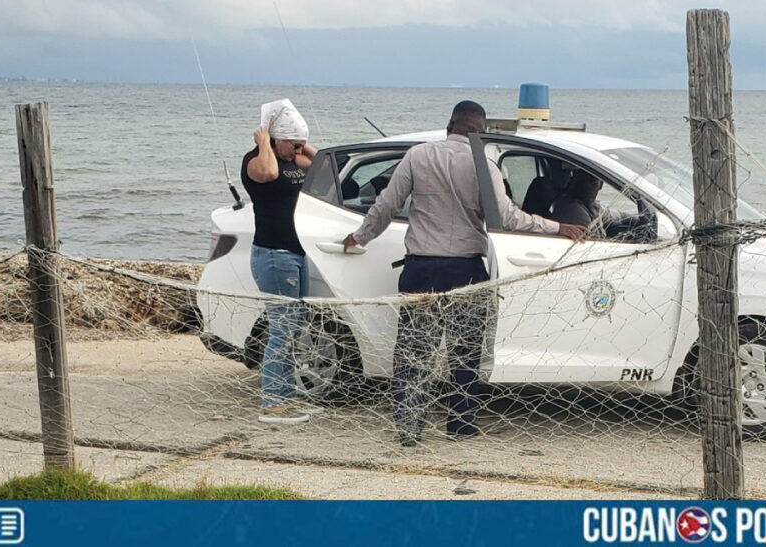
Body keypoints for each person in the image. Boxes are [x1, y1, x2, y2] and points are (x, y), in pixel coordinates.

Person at [342, 100, 587, 446]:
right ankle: (460, 423)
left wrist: (359, 236)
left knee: (414, 350)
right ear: (480, 131)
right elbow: (507, 217)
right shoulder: (484, 163)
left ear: (450, 125)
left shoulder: (417, 156)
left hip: (421, 268)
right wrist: (557, 227)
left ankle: (410, 427)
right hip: (466, 269)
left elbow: (386, 205)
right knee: (465, 351)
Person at [242, 98, 324, 424]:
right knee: (282, 329)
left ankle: (288, 397)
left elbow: (323, 167)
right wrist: (266, 143)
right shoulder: (256, 162)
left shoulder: (294, 160)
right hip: (274, 254)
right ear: (276, 140)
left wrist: (302, 145)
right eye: (293, 143)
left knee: (294, 328)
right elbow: (270, 171)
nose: (298, 149)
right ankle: (273, 403)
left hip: (296, 254)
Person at [550, 171, 657, 242]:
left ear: (601, 185)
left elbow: (616, 215)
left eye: (593, 181)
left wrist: (640, 218)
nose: (586, 185)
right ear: (573, 181)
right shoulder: (572, 209)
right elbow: (594, 244)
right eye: (581, 180)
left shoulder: (590, 205)